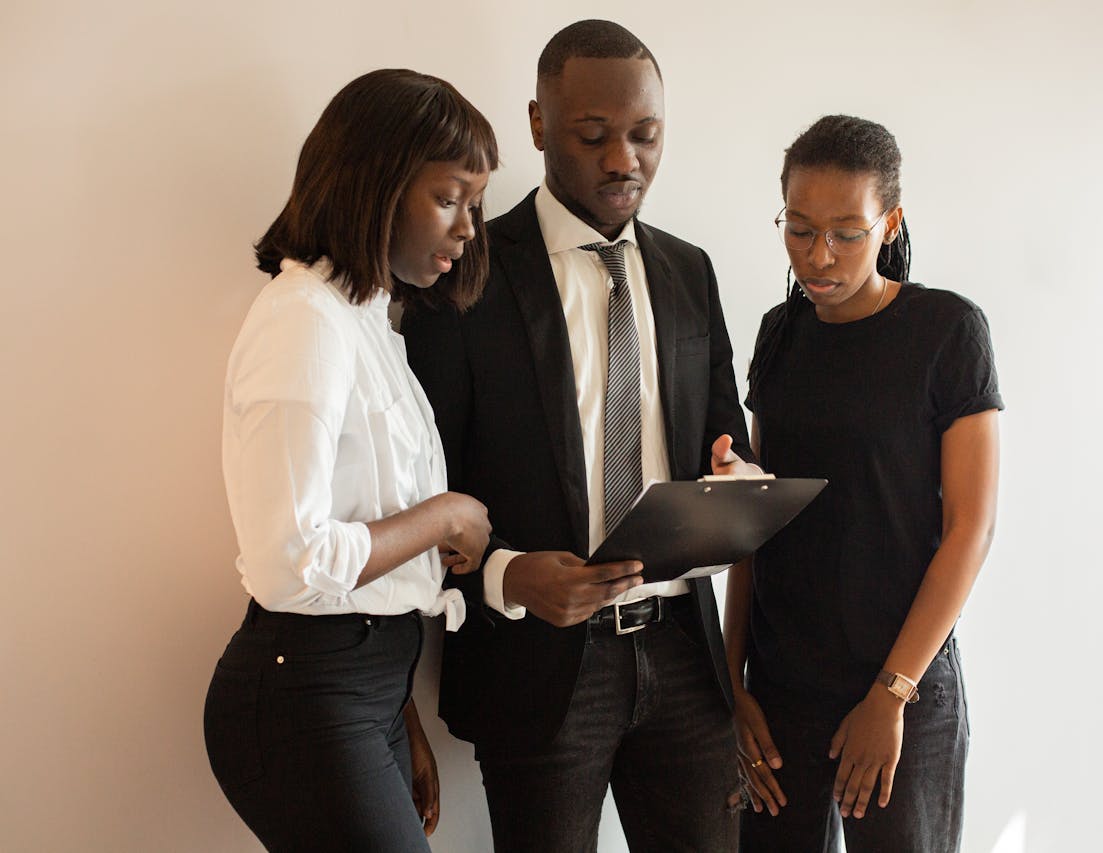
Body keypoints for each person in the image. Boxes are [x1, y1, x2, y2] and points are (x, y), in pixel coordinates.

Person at [402, 19, 757, 853]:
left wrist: (736, 478)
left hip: (683, 654)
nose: (623, 159)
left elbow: (724, 436)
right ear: (537, 125)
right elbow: (419, 485)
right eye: (593, 135)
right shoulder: (467, 273)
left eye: (645, 135)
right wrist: (509, 574)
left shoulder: (688, 270)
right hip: (538, 665)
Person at [202, 69, 498, 852]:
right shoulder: (303, 323)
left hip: (362, 689)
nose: (469, 228)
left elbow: (358, 553)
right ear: (376, 183)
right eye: (449, 197)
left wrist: (399, 710)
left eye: (476, 203)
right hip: (303, 694)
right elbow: (289, 563)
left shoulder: (364, 321)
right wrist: (446, 514)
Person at [725, 115, 1003, 852]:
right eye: (799, 228)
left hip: (902, 687)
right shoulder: (777, 335)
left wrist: (892, 693)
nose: (820, 256)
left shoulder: (947, 329)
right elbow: (757, 522)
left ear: (891, 223)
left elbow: (971, 528)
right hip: (781, 692)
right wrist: (733, 682)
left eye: (848, 232)